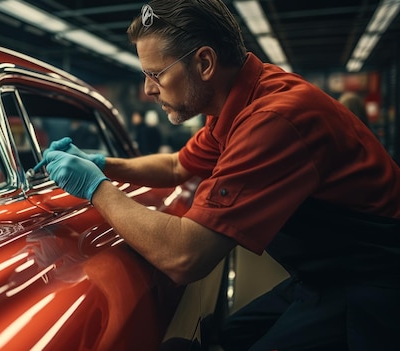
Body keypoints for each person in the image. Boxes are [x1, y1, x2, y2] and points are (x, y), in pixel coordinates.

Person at [41, 0, 400, 350]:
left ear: (205, 62)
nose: (149, 89)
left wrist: (95, 188)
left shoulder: (273, 120)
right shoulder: (238, 100)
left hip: (373, 286)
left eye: (156, 73)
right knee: (231, 336)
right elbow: (177, 166)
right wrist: (102, 163)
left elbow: (185, 257)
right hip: (326, 273)